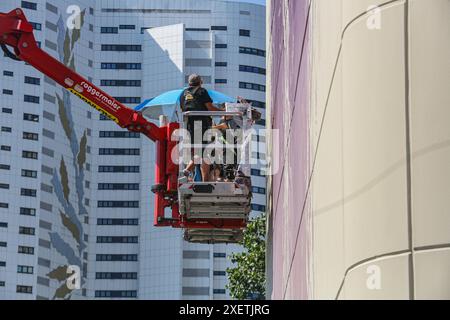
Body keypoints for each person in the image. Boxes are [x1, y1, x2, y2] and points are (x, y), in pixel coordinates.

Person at [180, 74, 224, 182]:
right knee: (205, 153)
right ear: (200, 82)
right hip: (201, 125)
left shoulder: (183, 94)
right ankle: (204, 181)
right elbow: (210, 108)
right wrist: (224, 112)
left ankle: (187, 171)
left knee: (200, 152)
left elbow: (183, 108)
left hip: (189, 126)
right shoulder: (201, 91)